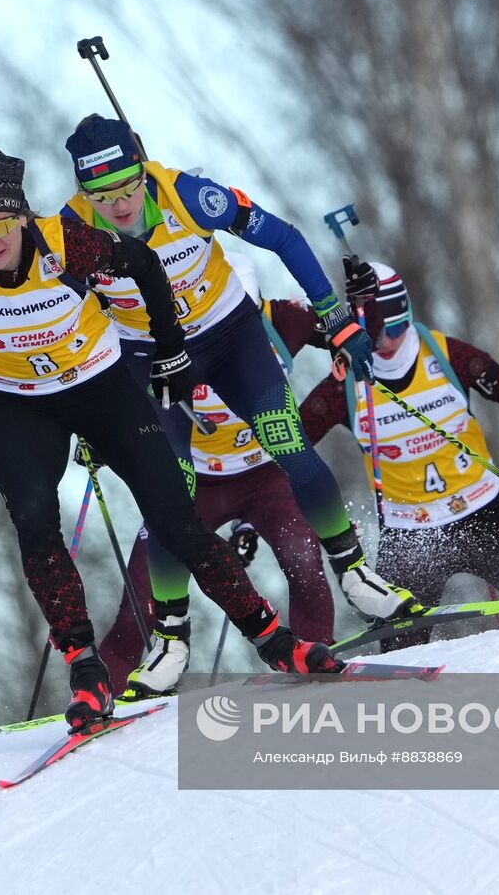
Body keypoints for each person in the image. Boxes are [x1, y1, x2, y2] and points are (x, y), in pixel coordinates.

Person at [0, 149, 341, 734]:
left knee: (176, 521)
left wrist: (168, 350)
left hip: (101, 390)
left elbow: (143, 263)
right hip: (18, 405)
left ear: (22, 219)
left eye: (0, 226)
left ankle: (274, 641)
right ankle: (86, 671)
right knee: (36, 523)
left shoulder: (65, 243)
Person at [61, 117, 418, 696]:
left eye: (128, 187)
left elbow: (284, 237)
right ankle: (172, 640)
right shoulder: (71, 233)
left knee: (290, 446)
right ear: (83, 193)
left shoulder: (188, 195)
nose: (119, 205)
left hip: (230, 338)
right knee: (165, 491)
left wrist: (334, 314)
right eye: (102, 196)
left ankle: (354, 574)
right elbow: (65, 320)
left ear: (142, 170)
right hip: (153, 360)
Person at [299, 259, 499, 648]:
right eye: (374, 325)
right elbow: (292, 442)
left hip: (485, 516)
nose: (383, 336)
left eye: (391, 321)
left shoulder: (447, 356)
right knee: (399, 657)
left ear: (405, 313)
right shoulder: (344, 383)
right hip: (410, 536)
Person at [97, 253, 338, 688]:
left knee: (302, 554)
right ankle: (104, 692)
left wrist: (358, 318)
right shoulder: (164, 340)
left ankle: (314, 656)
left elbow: (347, 325)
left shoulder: (282, 320)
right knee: (144, 590)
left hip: (265, 477)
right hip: (197, 484)